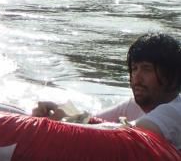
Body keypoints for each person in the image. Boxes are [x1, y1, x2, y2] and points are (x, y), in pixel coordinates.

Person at [33, 33, 180, 150]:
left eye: (147, 69)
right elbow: (91, 122)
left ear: (172, 77)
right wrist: (59, 114)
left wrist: (66, 121)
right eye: (134, 69)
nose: (137, 77)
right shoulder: (133, 106)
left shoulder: (174, 111)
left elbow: (131, 135)